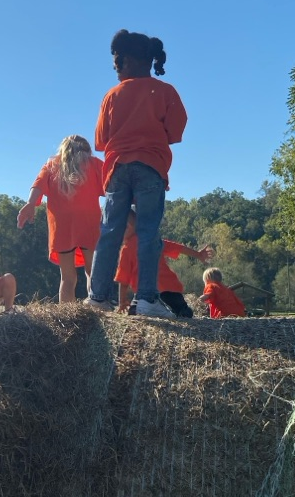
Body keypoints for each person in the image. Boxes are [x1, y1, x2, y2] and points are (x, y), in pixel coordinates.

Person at [87, 30, 187, 317]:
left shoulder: (112, 95)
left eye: (118, 61)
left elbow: (101, 140)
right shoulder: (165, 91)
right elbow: (176, 130)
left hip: (117, 167)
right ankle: (146, 299)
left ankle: (98, 297)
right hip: (150, 166)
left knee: (109, 232)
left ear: (130, 61)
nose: (116, 66)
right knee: (147, 232)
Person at [17, 135, 104, 302]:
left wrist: (30, 204)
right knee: (91, 271)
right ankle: (95, 304)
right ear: (86, 149)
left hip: (61, 226)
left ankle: (66, 313)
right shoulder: (94, 164)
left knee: (67, 277)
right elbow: (111, 184)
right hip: (89, 222)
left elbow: (37, 185)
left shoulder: (52, 164)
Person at [116, 209, 214, 316]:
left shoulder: (126, 250)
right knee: (182, 312)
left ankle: (175, 311)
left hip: (147, 293)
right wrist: (198, 254)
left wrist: (122, 302)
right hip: (169, 288)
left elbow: (123, 280)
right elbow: (178, 248)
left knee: (135, 311)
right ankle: (182, 312)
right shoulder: (152, 240)